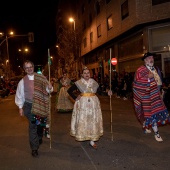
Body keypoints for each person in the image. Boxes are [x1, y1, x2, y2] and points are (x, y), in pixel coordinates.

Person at [15, 60, 53, 157]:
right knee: (33, 127)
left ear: (33, 66)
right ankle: (34, 148)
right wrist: (20, 107)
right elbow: (20, 95)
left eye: (30, 66)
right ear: (25, 69)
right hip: (29, 106)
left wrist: (49, 87)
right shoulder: (22, 81)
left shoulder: (41, 77)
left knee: (40, 125)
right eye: (27, 67)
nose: (29, 69)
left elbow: (49, 90)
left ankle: (39, 136)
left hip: (40, 105)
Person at [67, 66, 112, 149]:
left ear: (90, 74)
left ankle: (92, 139)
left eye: (88, 73)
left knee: (93, 120)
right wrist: (75, 98)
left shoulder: (94, 82)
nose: (87, 74)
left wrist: (107, 93)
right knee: (84, 120)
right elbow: (69, 91)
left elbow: (100, 92)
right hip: (83, 104)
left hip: (94, 104)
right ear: (82, 75)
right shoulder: (79, 82)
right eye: (85, 73)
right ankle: (84, 134)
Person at [133, 52, 170, 142]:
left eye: (152, 58)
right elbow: (136, 83)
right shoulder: (141, 70)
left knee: (149, 114)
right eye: (149, 58)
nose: (151, 59)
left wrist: (161, 90)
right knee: (152, 114)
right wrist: (148, 78)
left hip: (157, 94)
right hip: (146, 96)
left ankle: (145, 125)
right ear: (145, 60)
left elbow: (160, 81)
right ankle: (157, 133)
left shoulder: (157, 69)